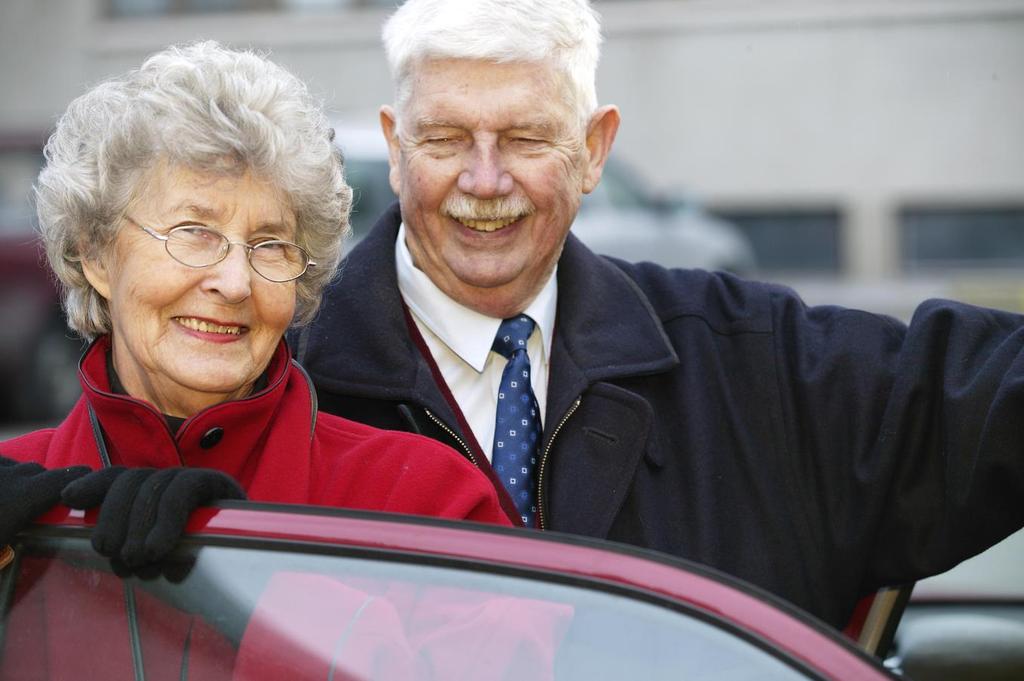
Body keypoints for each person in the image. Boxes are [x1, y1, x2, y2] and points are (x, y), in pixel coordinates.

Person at [294, 0, 1024, 631]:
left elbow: (983, 401)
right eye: (447, 138)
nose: (485, 180)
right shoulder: (277, 383)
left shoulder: (752, 365)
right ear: (395, 147)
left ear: (593, 148)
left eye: (525, 138)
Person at [0, 40, 512, 569]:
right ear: (95, 254)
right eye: (194, 231)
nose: (235, 282)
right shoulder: (17, 512)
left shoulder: (422, 499)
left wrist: (251, 572)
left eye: (269, 244)